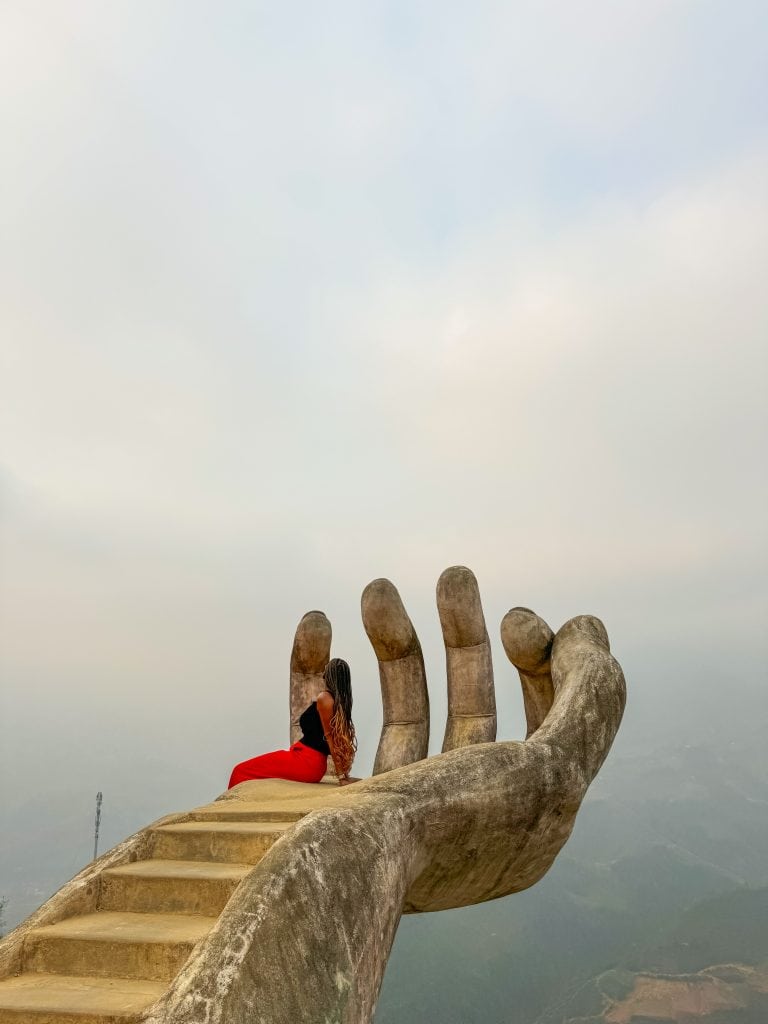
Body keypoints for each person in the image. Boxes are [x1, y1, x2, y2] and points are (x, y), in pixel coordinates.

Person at [228, 658, 358, 788]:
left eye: (326, 671)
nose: (323, 674)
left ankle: (232, 800)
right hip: (308, 761)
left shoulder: (324, 698)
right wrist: (344, 774)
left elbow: (331, 739)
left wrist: (342, 777)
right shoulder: (338, 703)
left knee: (240, 771)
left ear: (329, 676)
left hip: (305, 762)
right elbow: (337, 739)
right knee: (247, 770)